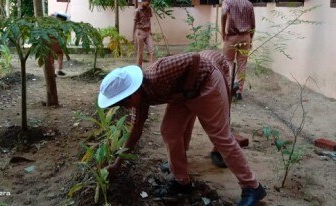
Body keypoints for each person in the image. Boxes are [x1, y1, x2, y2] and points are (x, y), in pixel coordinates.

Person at [97, 51, 266, 206]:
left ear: (133, 91)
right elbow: (135, 131)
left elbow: (194, 58)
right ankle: (182, 181)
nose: (125, 107)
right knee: (169, 131)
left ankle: (252, 186)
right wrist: (116, 164)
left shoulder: (159, 72)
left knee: (220, 137)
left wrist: (188, 89)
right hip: (184, 94)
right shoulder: (140, 101)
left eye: (124, 102)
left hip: (206, 82)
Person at [221, 0, 255, 100]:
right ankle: (239, 90)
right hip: (245, 37)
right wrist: (250, 39)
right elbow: (253, 24)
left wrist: (223, 32)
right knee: (242, 63)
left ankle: (230, 86)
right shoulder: (249, 4)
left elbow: (223, 15)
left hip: (231, 37)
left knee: (227, 61)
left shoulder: (227, 2)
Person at [133, 0, 155, 67]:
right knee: (140, 52)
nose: (149, 2)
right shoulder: (137, 11)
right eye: (147, 1)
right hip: (140, 32)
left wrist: (150, 31)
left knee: (152, 51)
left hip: (148, 32)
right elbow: (135, 23)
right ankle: (138, 69)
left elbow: (149, 20)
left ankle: (153, 69)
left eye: (149, 1)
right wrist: (134, 34)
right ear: (142, 1)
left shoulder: (149, 9)